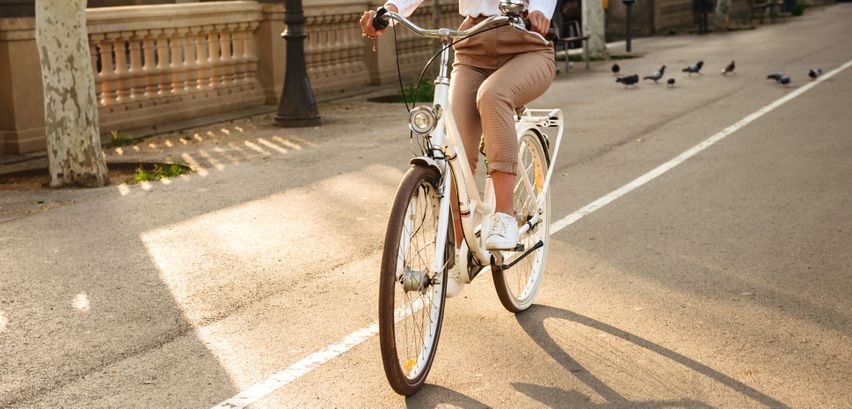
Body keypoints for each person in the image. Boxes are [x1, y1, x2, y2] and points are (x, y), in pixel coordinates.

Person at [360, 0, 556, 296]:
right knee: (455, 155)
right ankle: (457, 256)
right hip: (471, 47)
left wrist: (539, 10)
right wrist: (392, 9)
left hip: (526, 45)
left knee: (492, 96)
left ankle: (504, 215)